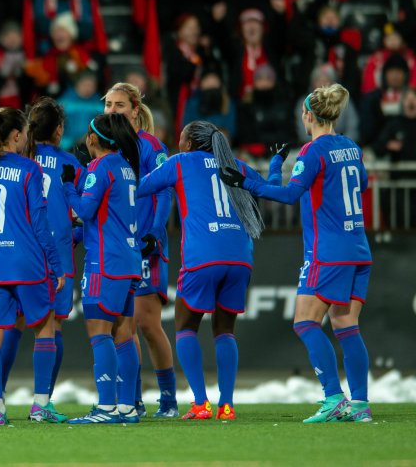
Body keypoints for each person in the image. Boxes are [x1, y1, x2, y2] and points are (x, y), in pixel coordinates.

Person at [221, 84, 374, 423]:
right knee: (346, 325)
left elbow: (289, 196)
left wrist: (247, 183)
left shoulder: (312, 151)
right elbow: (361, 184)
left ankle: (334, 397)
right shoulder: (351, 147)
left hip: (328, 252)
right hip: (359, 248)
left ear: (308, 114)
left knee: (305, 322)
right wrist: (278, 165)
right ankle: (360, 405)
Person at [140, 120, 267, 421]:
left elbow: (141, 187)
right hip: (240, 256)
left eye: (181, 137)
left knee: (185, 326)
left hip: (203, 256)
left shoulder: (181, 162)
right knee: (225, 330)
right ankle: (227, 405)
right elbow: (267, 187)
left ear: (189, 143)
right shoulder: (236, 164)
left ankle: (200, 403)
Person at [0, 107, 65, 426]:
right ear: (17, 135)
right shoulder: (29, 169)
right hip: (26, 262)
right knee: (44, 326)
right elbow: (39, 223)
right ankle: (40, 404)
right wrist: (55, 265)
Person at [0, 98, 81, 422]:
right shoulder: (70, 163)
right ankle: (42, 401)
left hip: (19, 255)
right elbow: (86, 210)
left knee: (12, 327)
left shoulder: (17, 160)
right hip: (57, 255)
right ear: (59, 130)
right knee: (51, 329)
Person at [60, 113, 141, 424]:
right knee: (123, 332)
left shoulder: (100, 166)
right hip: (130, 260)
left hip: (105, 262)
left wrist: (69, 187)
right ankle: (127, 407)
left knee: (99, 331)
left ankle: (106, 407)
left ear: (93, 139)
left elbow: (84, 210)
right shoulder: (125, 167)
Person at [103, 83, 177, 418]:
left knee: (147, 323)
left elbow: (165, 192)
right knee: (123, 325)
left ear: (135, 109)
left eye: (118, 105)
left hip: (145, 245)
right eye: (107, 105)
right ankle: (131, 399)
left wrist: (154, 233)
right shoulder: (107, 150)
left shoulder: (150, 146)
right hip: (118, 249)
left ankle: (168, 400)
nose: (111, 111)